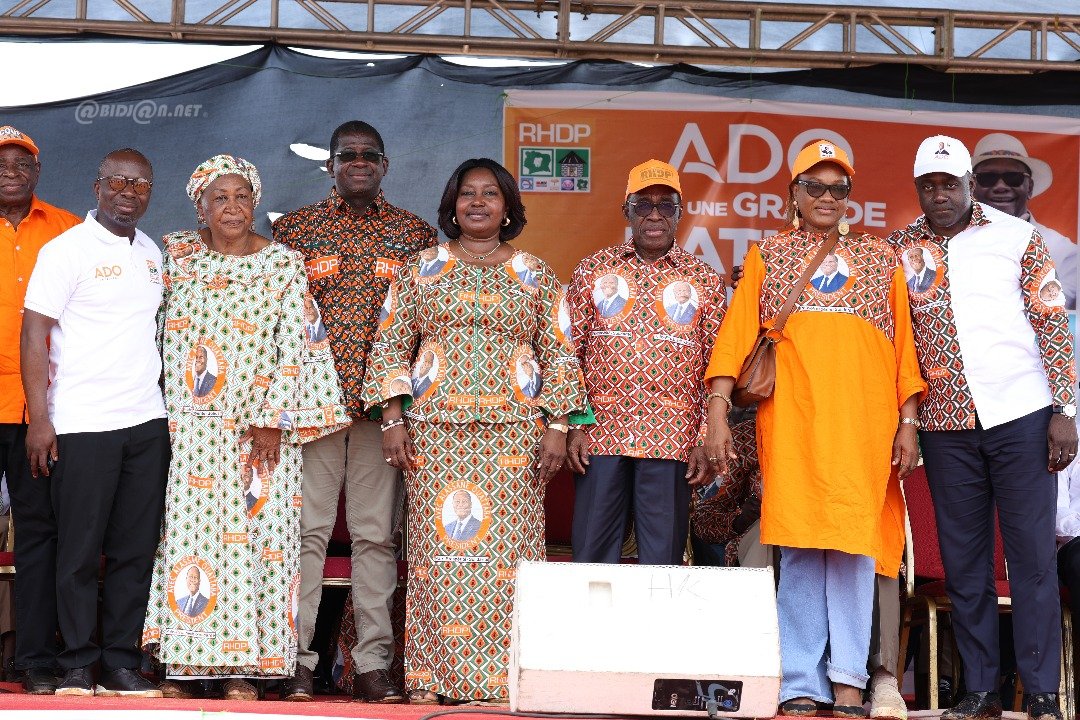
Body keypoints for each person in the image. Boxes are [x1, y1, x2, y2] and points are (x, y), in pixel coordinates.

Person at [705, 139, 925, 718]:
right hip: (797, 424)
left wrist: (907, 422)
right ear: (793, 194)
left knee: (852, 551)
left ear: (849, 196)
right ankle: (802, 680)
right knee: (800, 548)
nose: (827, 197)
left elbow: (905, 348)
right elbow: (735, 336)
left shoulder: (882, 259)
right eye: (815, 187)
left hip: (863, 427)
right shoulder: (769, 255)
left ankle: (850, 679)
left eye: (838, 188)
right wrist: (717, 407)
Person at [362, 157, 587, 705]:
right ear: (452, 205)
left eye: (490, 193)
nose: (478, 202)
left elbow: (558, 351)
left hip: (513, 435)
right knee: (440, 558)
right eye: (468, 193)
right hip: (436, 433)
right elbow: (391, 343)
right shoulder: (421, 268)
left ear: (508, 206)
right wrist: (393, 418)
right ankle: (430, 679)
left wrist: (557, 426)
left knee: (509, 558)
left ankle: (503, 681)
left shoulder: (534, 272)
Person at [141, 154, 349, 702]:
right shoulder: (180, 260)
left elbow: (297, 348)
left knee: (258, 546)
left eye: (241, 197)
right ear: (200, 207)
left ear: (255, 202)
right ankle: (187, 664)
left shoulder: (283, 265)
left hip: (261, 433)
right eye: (219, 198)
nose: (231, 207)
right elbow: (157, 337)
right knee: (192, 544)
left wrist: (272, 420)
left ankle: (245, 670)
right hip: (191, 432)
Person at [890, 135, 1077, 720]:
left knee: (1030, 559)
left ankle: (1042, 692)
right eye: (929, 185)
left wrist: (1065, 410)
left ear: (968, 182)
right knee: (966, 562)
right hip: (946, 424)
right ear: (917, 189)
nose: (940, 195)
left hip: (1021, 414)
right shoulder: (899, 249)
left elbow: (1052, 323)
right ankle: (979, 692)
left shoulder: (1019, 237)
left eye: (950, 183)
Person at [273, 120, 438, 702]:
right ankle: (294, 661)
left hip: (381, 417)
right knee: (304, 536)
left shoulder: (415, 236)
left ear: (386, 165)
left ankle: (371, 665)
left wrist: (400, 411)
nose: (360, 162)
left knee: (374, 539)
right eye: (348, 155)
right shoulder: (294, 231)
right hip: (311, 414)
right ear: (330, 166)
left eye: (371, 155)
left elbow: (423, 331)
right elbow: (276, 324)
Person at [21, 148, 170, 698]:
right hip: (82, 422)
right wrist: (41, 419)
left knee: (134, 548)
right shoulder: (66, 251)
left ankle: (121, 661)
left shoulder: (152, 252)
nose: (129, 191)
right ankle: (79, 662)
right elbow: (32, 332)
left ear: (151, 192)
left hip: (146, 422)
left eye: (140, 184)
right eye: (118, 181)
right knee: (79, 550)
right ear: (97, 186)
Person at [566, 159, 725, 566]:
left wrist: (704, 436)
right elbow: (569, 354)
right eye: (643, 205)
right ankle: (596, 632)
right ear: (627, 211)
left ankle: (654, 632)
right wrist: (571, 426)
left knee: (662, 563)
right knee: (593, 558)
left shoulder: (704, 279)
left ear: (679, 212)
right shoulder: (593, 270)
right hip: (600, 433)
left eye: (666, 205)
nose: (654, 215)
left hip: (672, 437)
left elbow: (716, 366)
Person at [0, 125, 80, 695]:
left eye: (22, 164)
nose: (11, 172)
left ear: (37, 172)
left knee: (37, 534)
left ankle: (32, 658)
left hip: (37, 411)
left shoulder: (68, 229)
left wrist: (46, 414)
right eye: (2, 163)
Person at [972, 132, 1076, 309]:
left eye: (1013, 178)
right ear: (971, 187)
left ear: (1030, 187)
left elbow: (1061, 318)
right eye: (987, 178)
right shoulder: (951, 244)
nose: (1000, 187)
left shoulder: (1064, 253)